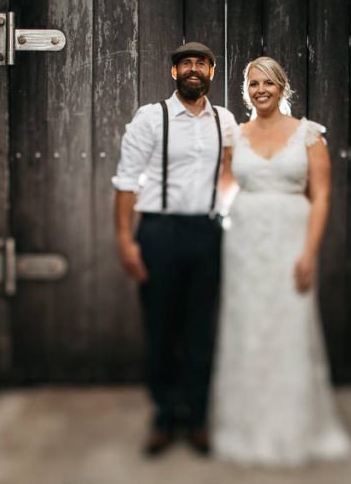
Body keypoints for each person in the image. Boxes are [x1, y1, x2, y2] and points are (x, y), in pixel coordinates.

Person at [211, 56, 351, 467]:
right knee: (248, 326)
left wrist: (309, 251)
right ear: (246, 90)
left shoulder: (308, 135)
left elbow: (321, 195)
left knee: (291, 325)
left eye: (268, 83)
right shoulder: (234, 136)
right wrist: (225, 218)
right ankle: (245, 427)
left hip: (292, 239)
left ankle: (294, 428)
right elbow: (223, 183)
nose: (260, 90)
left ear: (282, 87)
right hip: (246, 243)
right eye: (253, 84)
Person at [112, 41, 237, 457]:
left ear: (211, 72)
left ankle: (197, 418)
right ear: (174, 72)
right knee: (162, 327)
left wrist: (227, 212)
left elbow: (232, 173)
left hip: (206, 231)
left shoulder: (225, 120)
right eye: (186, 63)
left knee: (201, 327)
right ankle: (165, 416)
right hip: (159, 233)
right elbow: (126, 180)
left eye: (201, 63)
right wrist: (126, 239)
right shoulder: (151, 117)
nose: (193, 69)